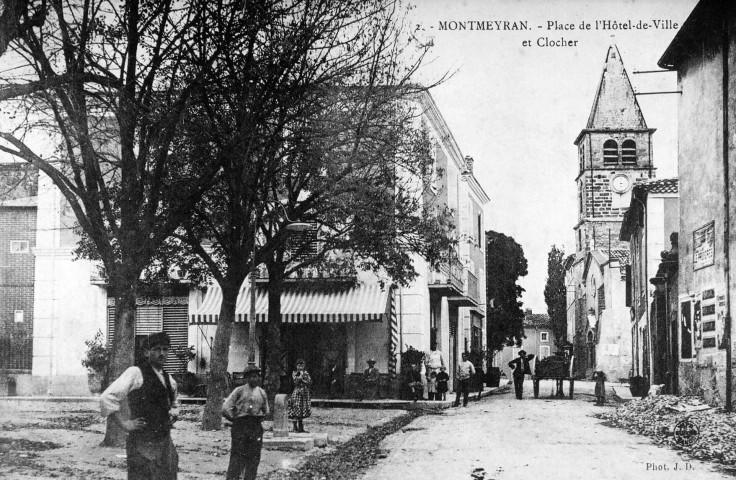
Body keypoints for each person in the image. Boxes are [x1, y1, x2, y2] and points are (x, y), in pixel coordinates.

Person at [100, 332, 179, 480]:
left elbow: (174, 402)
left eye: (165, 349)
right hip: (142, 443)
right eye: (156, 349)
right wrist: (124, 424)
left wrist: (173, 413)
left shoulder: (169, 379)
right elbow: (107, 397)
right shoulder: (136, 373)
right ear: (147, 352)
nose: (162, 353)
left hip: (164, 443)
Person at [221, 365, 269, 480]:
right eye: (251, 376)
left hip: (255, 427)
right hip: (240, 426)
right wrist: (234, 419)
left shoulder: (261, 393)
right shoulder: (239, 391)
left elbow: (266, 411)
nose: (254, 379)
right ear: (246, 378)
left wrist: (258, 418)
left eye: (257, 376)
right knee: (237, 456)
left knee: (254, 456)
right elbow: (225, 408)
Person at [288, 359, 311, 433]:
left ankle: (301, 427)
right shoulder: (294, 373)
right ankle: (295, 427)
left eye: (302, 365)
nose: (300, 367)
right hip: (297, 392)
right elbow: (296, 381)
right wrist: (301, 376)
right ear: (296, 366)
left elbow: (309, 381)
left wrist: (303, 379)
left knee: (302, 409)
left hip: (304, 393)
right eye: (299, 365)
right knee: (296, 408)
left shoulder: (306, 373)